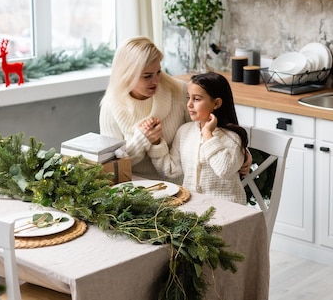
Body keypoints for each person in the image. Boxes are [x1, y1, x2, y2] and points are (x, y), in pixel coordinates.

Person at [142, 72, 248, 204]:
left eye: (197, 99)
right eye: (188, 98)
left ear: (216, 103)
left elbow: (224, 170)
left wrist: (208, 134)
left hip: (228, 210)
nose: (189, 104)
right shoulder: (185, 131)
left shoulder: (233, 138)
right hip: (193, 208)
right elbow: (171, 170)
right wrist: (156, 142)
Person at [99, 36, 190, 184]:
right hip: (133, 189)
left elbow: (199, 139)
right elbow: (111, 165)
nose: (155, 81)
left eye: (158, 72)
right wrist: (141, 140)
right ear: (127, 75)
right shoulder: (110, 106)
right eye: (147, 76)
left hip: (180, 186)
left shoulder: (179, 91)